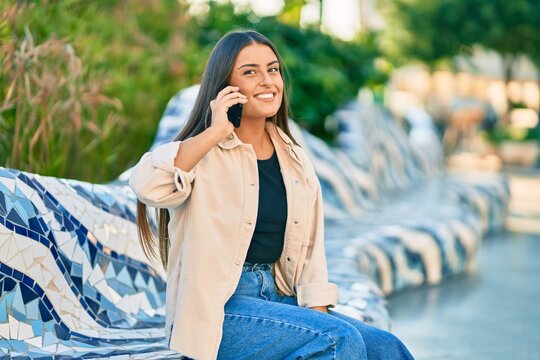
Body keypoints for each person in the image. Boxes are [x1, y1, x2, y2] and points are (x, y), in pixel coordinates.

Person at [129, 30, 414, 360]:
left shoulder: (294, 158)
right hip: (219, 310)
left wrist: (316, 317)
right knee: (339, 340)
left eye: (273, 69)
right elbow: (146, 184)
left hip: (280, 299)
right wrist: (218, 130)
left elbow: (310, 253)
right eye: (250, 72)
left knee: (386, 348)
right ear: (226, 86)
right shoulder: (204, 152)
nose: (267, 81)